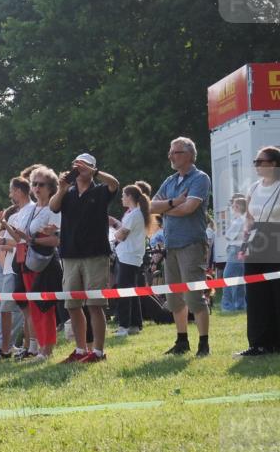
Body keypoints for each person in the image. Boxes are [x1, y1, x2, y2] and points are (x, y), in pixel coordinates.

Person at [49, 153, 120, 363]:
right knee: (72, 305)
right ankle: (80, 350)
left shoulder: (100, 190)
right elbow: (53, 206)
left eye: (84, 166)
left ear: (93, 168)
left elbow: (115, 184)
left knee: (95, 304)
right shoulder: (67, 193)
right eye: (76, 166)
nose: (79, 169)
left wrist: (95, 172)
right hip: (70, 255)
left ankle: (98, 351)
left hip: (95, 254)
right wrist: (61, 188)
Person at [150, 137, 212, 357]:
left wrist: (166, 207)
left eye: (175, 152)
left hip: (191, 244)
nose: (170, 156)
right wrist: (174, 202)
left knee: (195, 297)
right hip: (171, 246)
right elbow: (150, 206)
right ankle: (182, 341)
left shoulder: (200, 178)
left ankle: (204, 344)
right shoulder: (170, 180)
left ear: (188, 155)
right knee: (174, 298)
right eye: (170, 152)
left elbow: (190, 208)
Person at [4, 166, 63, 361]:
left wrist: (33, 240)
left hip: (45, 263)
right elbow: (24, 237)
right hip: (29, 263)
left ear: (51, 187)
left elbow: (56, 240)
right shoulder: (32, 209)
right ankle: (40, 347)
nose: (37, 187)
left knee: (45, 307)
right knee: (34, 307)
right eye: (34, 183)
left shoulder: (53, 209)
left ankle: (47, 349)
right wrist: (9, 228)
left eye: (41, 184)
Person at [238, 146, 280, 355]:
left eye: (261, 161)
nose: (257, 165)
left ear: (274, 163)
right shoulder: (253, 188)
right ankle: (258, 343)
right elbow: (249, 218)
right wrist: (245, 243)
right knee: (256, 292)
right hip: (257, 241)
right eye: (255, 162)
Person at [0, 180, 32, 360]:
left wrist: (4, 242)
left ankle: (27, 347)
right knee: (5, 310)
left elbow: (24, 241)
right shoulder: (15, 216)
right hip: (10, 268)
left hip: (22, 267)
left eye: (11, 191)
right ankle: (4, 349)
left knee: (24, 309)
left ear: (19, 191)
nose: (10, 195)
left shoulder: (32, 210)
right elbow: (9, 241)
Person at [112, 185, 152, 336]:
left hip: (128, 256)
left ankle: (124, 326)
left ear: (129, 196)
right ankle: (135, 324)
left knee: (124, 292)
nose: (122, 198)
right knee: (132, 291)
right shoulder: (135, 214)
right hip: (130, 256)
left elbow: (122, 235)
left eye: (123, 195)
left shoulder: (134, 214)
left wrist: (115, 233)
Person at [221, 196, 249, 312]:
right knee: (240, 280)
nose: (232, 208)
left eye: (233, 206)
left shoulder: (238, 221)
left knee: (227, 278)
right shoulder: (245, 219)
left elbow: (227, 235)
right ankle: (240, 305)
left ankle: (228, 306)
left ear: (237, 207)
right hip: (242, 250)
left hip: (234, 250)